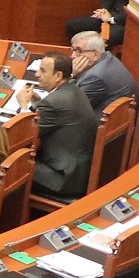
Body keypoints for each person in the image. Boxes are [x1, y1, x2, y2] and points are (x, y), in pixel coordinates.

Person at [29, 52, 97, 199]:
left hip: (64, 179)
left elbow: (25, 136)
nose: (36, 74)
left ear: (58, 76)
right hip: (81, 172)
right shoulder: (74, 90)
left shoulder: (52, 103)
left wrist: (23, 107)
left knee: (5, 167)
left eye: (43, 71)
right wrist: (36, 103)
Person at [69, 30, 138, 112]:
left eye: (79, 51)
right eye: (73, 50)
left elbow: (69, 107)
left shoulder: (95, 77)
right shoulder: (108, 58)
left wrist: (72, 75)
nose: (72, 56)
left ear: (95, 54)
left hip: (105, 119)